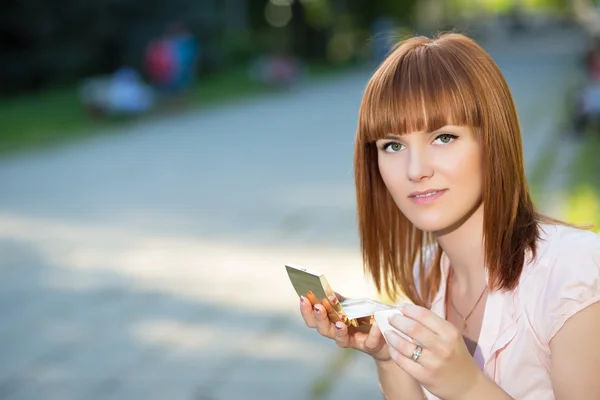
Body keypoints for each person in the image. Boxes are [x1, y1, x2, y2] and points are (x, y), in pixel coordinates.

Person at [299, 33, 600, 399]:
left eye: (443, 137)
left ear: (493, 139)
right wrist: (388, 355)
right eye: (392, 145)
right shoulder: (426, 277)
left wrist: (468, 386)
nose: (415, 169)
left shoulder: (573, 273)